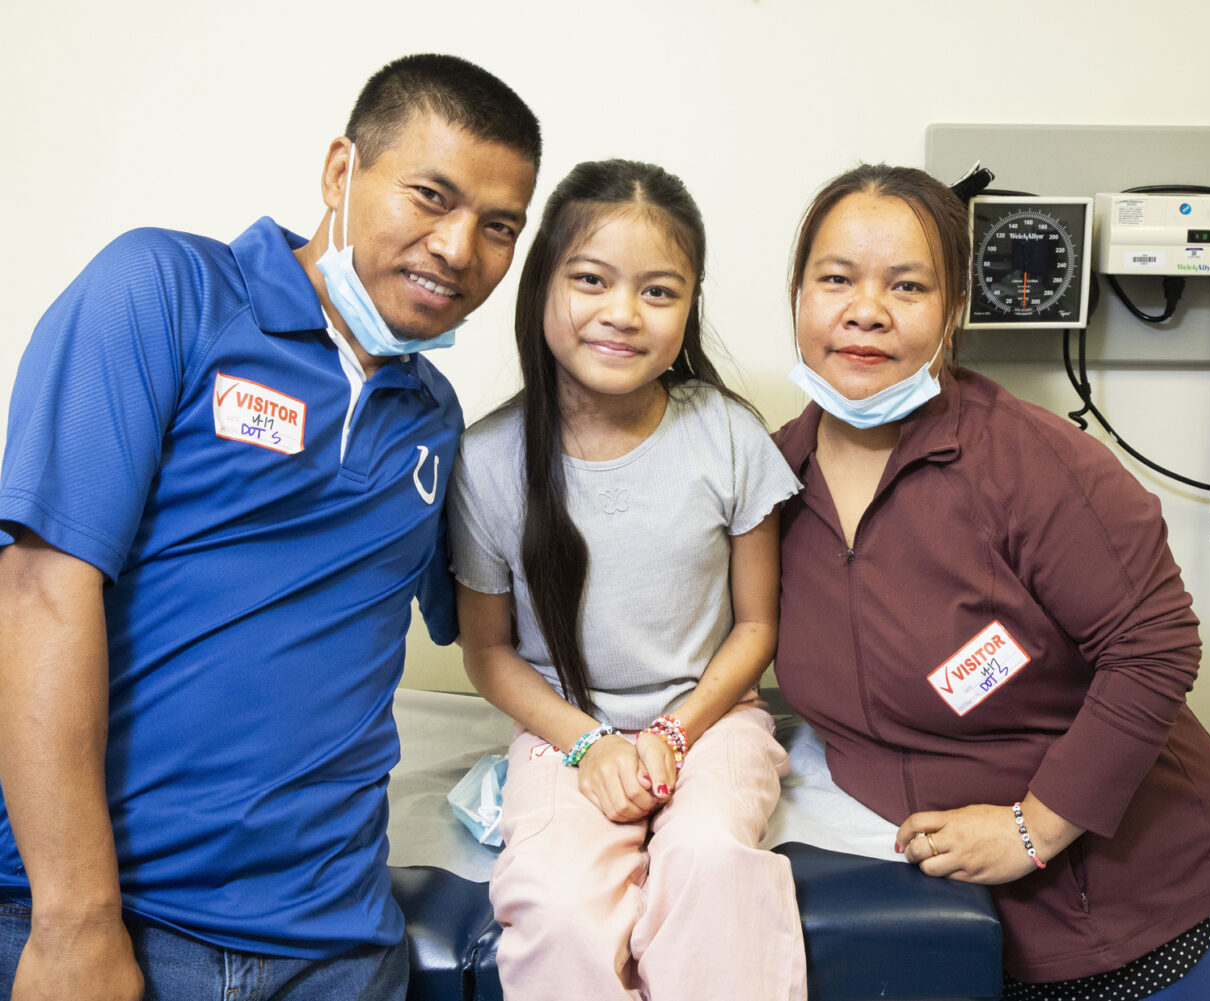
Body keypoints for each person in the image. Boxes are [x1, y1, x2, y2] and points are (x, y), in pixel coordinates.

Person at [0, 54, 540, 1001]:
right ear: (341, 170)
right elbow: (38, 590)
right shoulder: (164, 290)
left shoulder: (436, 418)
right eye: (430, 196)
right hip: (116, 917)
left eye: (499, 227)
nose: (460, 249)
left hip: (336, 942)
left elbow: (508, 629)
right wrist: (76, 920)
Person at [771, 163, 1210, 1001]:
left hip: (1116, 905)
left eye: (908, 285)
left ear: (954, 309)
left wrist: (1035, 829)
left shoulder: (1029, 465)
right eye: (836, 279)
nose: (865, 310)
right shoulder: (772, 479)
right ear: (800, 296)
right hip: (929, 915)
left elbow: (1156, 646)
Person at [448, 158, 806, 1001]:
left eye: (658, 291)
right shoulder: (487, 460)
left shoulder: (727, 435)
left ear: (689, 307)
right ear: (543, 287)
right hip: (565, 730)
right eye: (591, 280)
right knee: (557, 902)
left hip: (711, 721)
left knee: (711, 859)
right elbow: (489, 654)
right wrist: (590, 742)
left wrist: (675, 733)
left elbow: (758, 626)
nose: (622, 312)